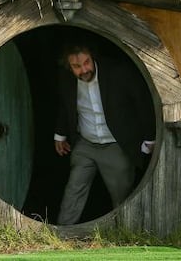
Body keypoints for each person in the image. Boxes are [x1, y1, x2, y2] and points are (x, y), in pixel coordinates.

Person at [54, 43, 156, 225]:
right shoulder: (66, 79)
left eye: (87, 62)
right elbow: (64, 105)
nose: (84, 69)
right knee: (73, 189)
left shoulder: (118, 73)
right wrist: (60, 135)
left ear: (93, 58)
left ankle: (123, 233)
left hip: (116, 144)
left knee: (122, 196)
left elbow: (143, 103)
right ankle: (62, 235)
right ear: (69, 67)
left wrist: (149, 138)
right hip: (85, 144)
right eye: (77, 66)